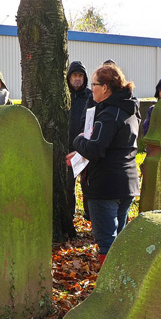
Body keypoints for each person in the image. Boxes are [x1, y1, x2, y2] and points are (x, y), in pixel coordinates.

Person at [68, 63, 140, 267]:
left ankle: (110, 288)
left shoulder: (109, 113)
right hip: (126, 184)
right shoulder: (129, 109)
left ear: (106, 88)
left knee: (108, 243)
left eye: (94, 84)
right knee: (119, 241)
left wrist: (78, 140)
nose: (92, 89)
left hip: (106, 186)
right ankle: (122, 283)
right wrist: (81, 150)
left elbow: (96, 149)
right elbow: (114, 145)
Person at [63, 61, 92, 241]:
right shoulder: (63, 96)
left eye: (80, 76)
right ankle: (69, 218)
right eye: (74, 76)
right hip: (67, 147)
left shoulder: (90, 96)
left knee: (88, 185)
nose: (77, 79)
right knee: (68, 187)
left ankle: (90, 217)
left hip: (86, 148)